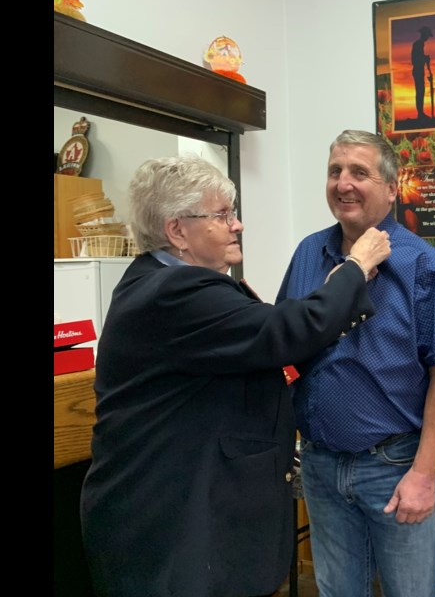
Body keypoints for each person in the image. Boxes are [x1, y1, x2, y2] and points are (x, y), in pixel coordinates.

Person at [80, 155, 390, 597]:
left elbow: (263, 353)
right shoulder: (174, 291)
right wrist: (356, 270)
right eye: (222, 215)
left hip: (182, 515)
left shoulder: (167, 283)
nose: (237, 225)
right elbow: (284, 331)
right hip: (170, 526)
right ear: (177, 231)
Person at [277, 129, 435, 596]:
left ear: (391, 186)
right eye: (334, 171)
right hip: (320, 462)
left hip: (394, 465)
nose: (343, 183)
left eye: (359, 172)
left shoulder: (424, 265)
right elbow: (285, 341)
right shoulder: (308, 253)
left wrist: (424, 474)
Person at [411, 26, 432, 120]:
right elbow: (415, 59)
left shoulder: (420, 44)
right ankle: (420, 114)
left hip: (419, 70)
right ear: (424, 34)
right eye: (427, 35)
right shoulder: (418, 44)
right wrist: (425, 58)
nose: (428, 37)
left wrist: (425, 58)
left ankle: (421, 113)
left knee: (421, 91)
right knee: (420, 91)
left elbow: (419, 57)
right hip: (417, 70)